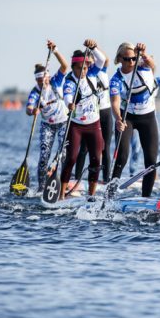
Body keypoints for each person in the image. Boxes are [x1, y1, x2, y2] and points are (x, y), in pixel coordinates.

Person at [109, 42, 160, 197]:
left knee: (151, 161)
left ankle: (145, 198)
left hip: (147, 118)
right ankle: (109, 195)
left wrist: (143, 52)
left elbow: (154, 65)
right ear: (119, 59)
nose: (131, 62)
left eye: (134, 58)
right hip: (126, 118)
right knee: (122, 156)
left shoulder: (145, 67)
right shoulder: (116, 79)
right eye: (127, 59)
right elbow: (115, 102)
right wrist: (118, 119)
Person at [59, 39, 107, 200]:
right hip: (76, 126)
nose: (83, 71)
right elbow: (67, 94)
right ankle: (61, 196)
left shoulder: (92, 73)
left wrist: (93, 47)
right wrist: (69, 103)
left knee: (96, 159)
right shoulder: (70, 81)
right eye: (80, 68)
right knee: (71, 158)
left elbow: (102, 60)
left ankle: (91, 196)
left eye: (85, 67)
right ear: (73, 68)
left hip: (94, 124)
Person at [25, 39, 69, 191]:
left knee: (63, 155)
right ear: (36, 79)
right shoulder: (35, 92)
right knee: (44, 156)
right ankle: (41, 187)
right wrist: (33, 111)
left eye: (43, 79)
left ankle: (60, 182)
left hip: (63, 122)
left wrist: (55, 50)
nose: (41, 82)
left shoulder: (56, 82)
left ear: (47, 77)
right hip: (47, 126)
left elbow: (65, 66)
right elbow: (29, 108)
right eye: (38, 79)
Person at [74, 55, 113, 183]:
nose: (90, 63)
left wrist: (94, 47)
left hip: (106, 112)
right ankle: (77, 179)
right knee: (84, 149)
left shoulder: (102, 70)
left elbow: (105, 59)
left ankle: (106, 179)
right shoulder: (85, 76)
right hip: (92, 115)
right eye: (87, 62)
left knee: (105, 148)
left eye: (92, 61)